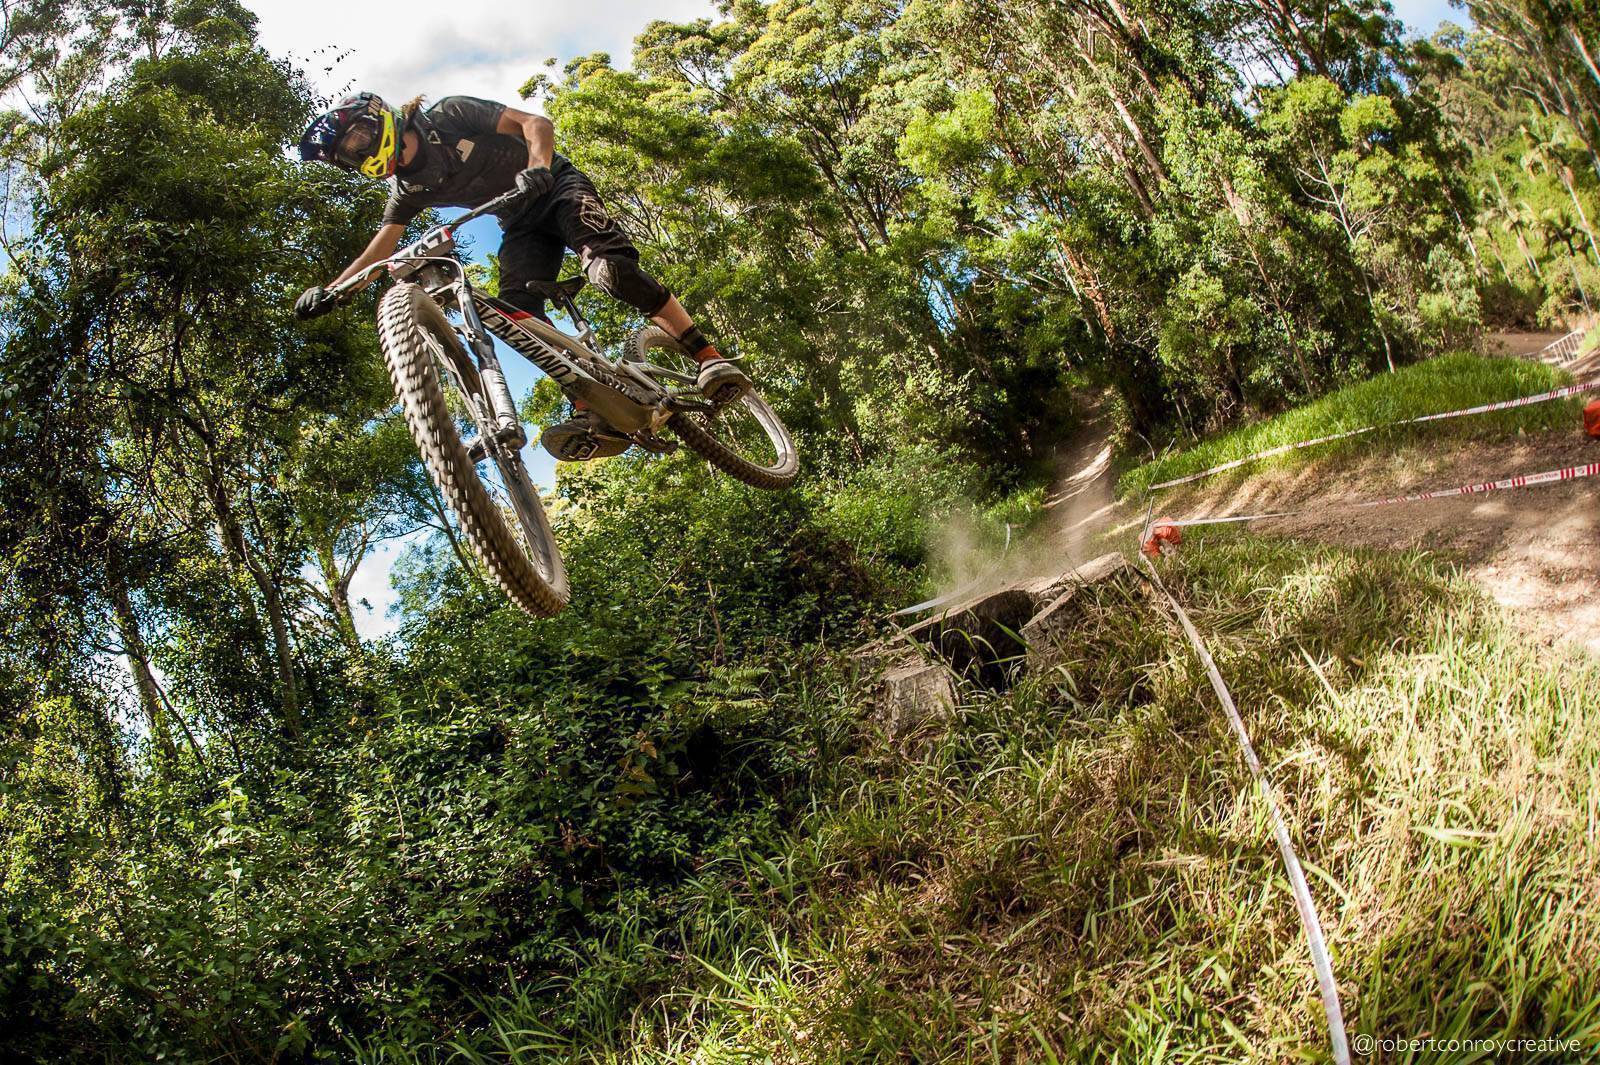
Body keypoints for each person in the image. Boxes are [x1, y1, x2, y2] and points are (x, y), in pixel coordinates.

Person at [293, 91, 749, 460]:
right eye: (348, 158)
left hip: (556, 187)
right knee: (516, 317)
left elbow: (536, 124)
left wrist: (537, 167)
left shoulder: (449, 116)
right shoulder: (409, 188)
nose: (358, 156)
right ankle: (591, 408)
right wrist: (334, 291)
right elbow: (382, 248)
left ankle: (708, 356)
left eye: (356, 143)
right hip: (519, 224)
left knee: (609, 271)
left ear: (377, 120)